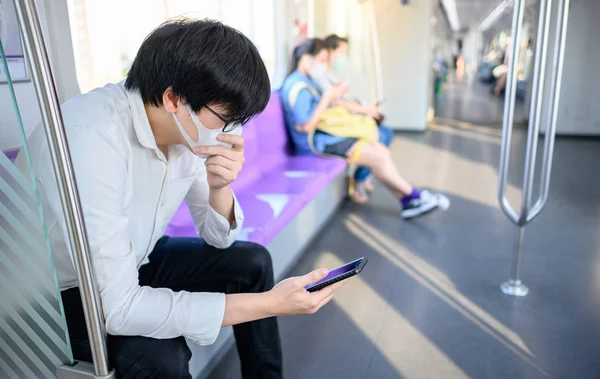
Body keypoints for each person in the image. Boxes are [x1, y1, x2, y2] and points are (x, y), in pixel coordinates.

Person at [16, 19, 345, 379]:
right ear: (174, 98)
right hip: (55, 298)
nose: (230, 132)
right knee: (162, 355)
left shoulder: (186, 131)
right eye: (225, 118)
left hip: (134, 258)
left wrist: (220, 185)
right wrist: (269, 304)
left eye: (238, 121)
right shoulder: (90, 138)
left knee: (252, 263)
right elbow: (121, 307)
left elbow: (220, 238)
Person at [280, 38, 439, 218]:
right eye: (322, 60)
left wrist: (334, 96)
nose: (324, 66)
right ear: (307, 59)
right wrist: (327, 97)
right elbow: (306, 126)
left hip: (325, 135)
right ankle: (412, 196)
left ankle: (408, 199)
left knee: (379, 150)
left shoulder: (307, 81)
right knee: (378, 155)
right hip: (314, 143)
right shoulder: (296, 86)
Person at [323, 34, 394, 202]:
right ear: (331, 50)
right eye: (341, 52)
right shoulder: (322, 77)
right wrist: (365, 109)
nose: (342, 57)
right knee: (380, 136)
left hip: (344, 117)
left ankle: (363, 174)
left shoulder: (330, 73)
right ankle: (360, 179)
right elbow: (335, 103)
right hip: (336, 123)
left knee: (386, 132)